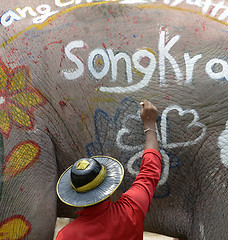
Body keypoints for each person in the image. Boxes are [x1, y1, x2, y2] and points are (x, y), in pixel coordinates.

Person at [56, 100, 161, 240]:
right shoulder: (130, 209)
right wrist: (149, 125)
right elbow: (150, 171)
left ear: (76, 195)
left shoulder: (67, 235)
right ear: (108, 184)